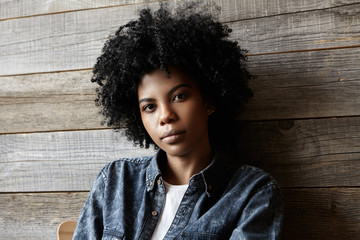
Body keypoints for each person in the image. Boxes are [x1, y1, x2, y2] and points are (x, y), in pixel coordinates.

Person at [73, 2, 283, 239]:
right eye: (149, 107)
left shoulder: (252, 192)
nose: (165, 116)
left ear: (209, 100)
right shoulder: (115, 181)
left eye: (179, 96)